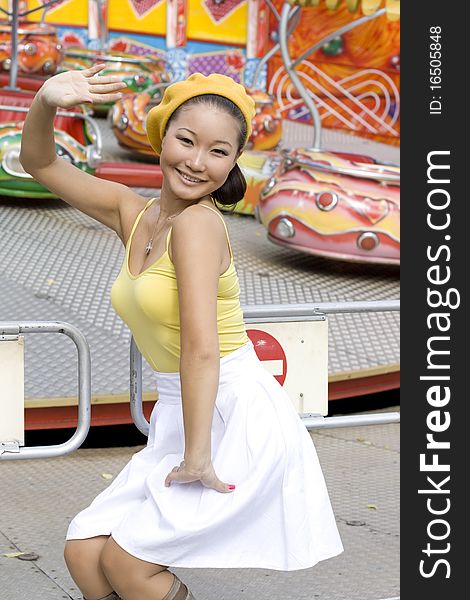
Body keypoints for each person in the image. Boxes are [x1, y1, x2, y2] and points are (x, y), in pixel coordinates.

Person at [19, 65, 343, 600]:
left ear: (233, 162)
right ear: (161, 135)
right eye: (186, 140)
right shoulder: (134, 211)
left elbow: (200, 349)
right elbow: (40, 162)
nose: (196, 162)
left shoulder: (198, 224)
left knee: (129, 564)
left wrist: (197, 457)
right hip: (184, 409)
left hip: (229, 414)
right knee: (83, 550)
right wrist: (47, 101)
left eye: (217, 152)